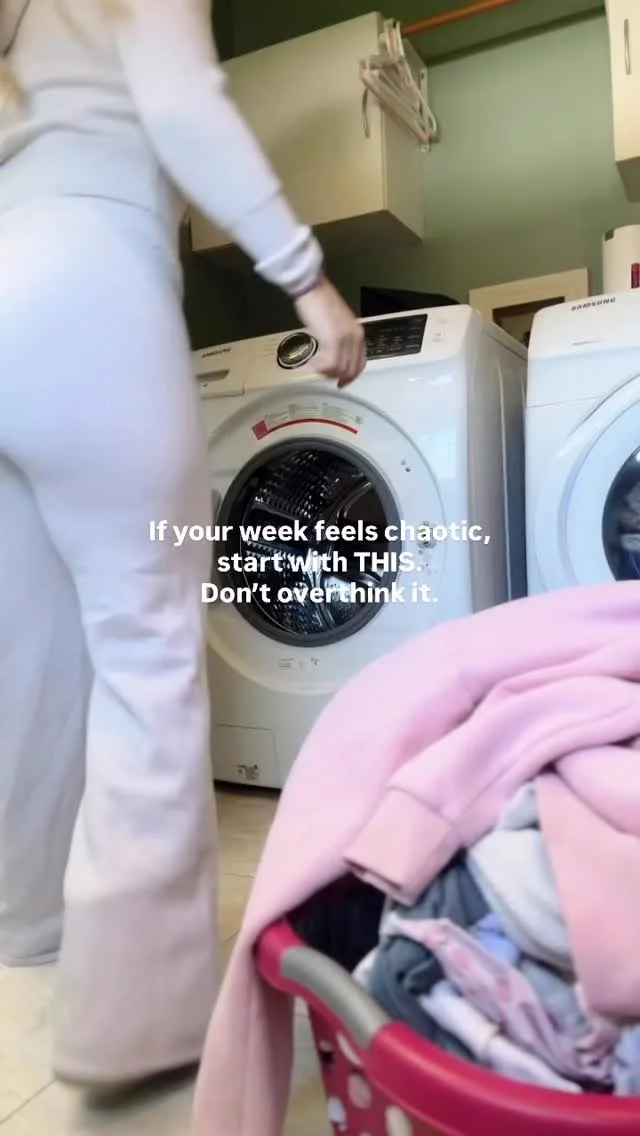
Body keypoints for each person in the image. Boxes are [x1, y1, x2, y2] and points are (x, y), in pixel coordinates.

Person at [0, 0, 366, 1091]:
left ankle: (29, 923)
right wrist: (308, 278)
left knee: (29, 651)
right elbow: (179, 98)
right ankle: (136, 1023)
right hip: (88, 285)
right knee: (149, 643)